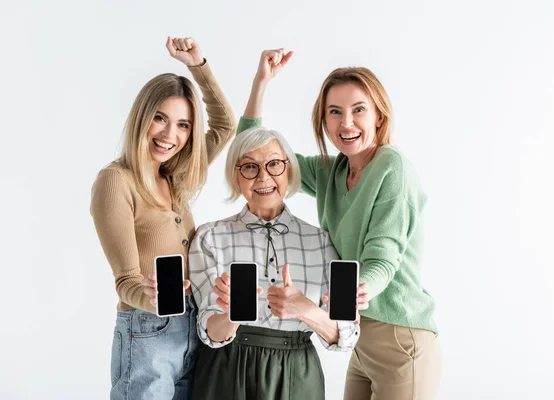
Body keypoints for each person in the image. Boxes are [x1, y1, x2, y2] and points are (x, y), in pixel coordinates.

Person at [237, 49, 441, 400]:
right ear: (324, 121)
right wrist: (261, 83)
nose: (346, 123)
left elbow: (383, 258)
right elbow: (253, 152)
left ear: (378, 116)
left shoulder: (394, 169)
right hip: (357, 338)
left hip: (400, 336)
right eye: (335, 112)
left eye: (358, 110)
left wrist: (361, 288)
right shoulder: (331, 172)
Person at [90, 36, 236, 399]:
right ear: (143, 116)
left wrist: (197, 66)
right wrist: (151, 299)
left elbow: (224, 125)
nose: (171, 134)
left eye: (184, 125)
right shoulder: (116, 181)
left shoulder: (175, 180)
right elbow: (125, 281)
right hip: (146, 330)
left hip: (191, 327)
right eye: (160, 118)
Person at [187, 127, 366, 400]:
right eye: (249, 166)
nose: (263, 177)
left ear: (289, 171)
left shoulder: (321, 242)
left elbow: (347, 336)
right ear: (236, 176)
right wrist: (232, 314)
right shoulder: (210, 238)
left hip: (297, 374)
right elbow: (209, 331)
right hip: (225, 369)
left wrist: (307, 310)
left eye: (274, 164)